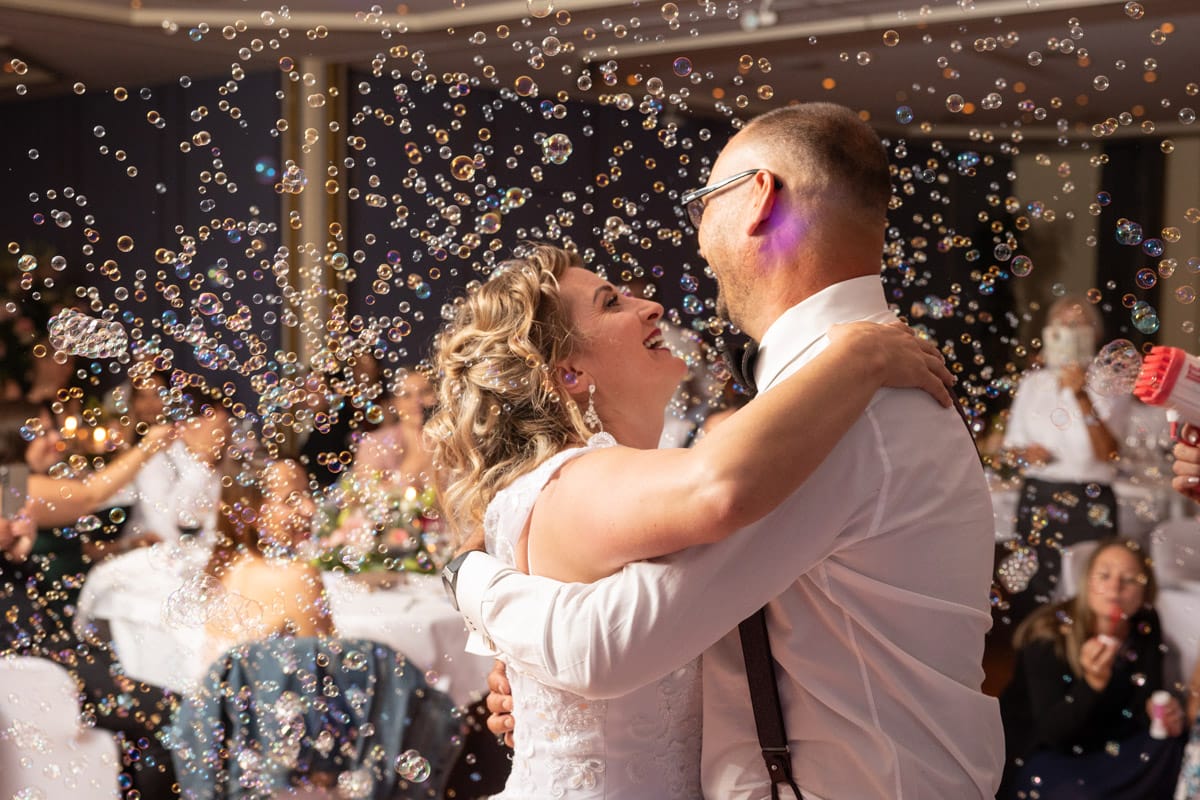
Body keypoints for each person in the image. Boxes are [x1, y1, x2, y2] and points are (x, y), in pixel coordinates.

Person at [445, 102, 1005, 800]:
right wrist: (533, 685)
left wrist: (470, 579)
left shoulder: (839, 404)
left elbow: (606, 644)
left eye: (702, 204)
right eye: (613, 301)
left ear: (758, 198)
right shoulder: (846, 380)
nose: (696, 244)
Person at [0, 398, 180, 796]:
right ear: (12, 438)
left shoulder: (11, 484)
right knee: (164, 708)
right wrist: (149, 446)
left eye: (52, 429)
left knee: (152, 721)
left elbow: (26, 549)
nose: (54, 439)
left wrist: (117, 550)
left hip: (51, 633)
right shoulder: (10, 482)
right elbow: (87, 496)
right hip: (30, 644)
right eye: (40, 431)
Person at [998, 537, 1186, 798]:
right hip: (1049, 752)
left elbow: (1145, 697)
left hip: (1112, 740)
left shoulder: (1145, 624)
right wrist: (1092, 684)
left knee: (1174, 747)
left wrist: (1161, 713)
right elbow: (1053, 734)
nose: (1115, 587)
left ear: (1146, 591)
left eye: (1130, 579)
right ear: (1088, 581)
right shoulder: (1047, 636)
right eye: (1104, 575)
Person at [999, 294, 1130, 627]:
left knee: (1086, 596)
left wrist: (1081, 394)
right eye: (1059, 324)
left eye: (1075, 324)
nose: (1066, 331)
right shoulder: (1033, 383)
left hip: (1090, 500)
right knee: (1033, 590)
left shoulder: (1111, 383)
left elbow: (1109, 453)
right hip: (1038, 495)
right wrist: (1026, 454)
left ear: (1094, 334)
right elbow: (1011, 448)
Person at [199, 459, 332, 671]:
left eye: (307, 493)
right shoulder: (298, 577)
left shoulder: (224, 567)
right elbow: (326, 669)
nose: (310, 508)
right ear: (251, 512)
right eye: (290, 500)